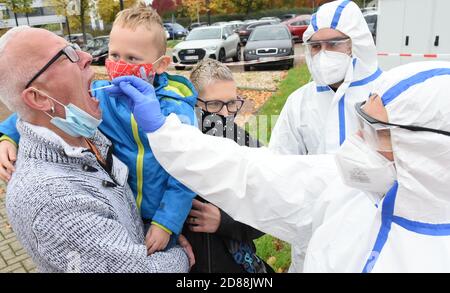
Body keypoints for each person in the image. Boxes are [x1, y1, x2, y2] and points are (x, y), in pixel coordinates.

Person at [107, 60, 450, 272]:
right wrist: (165, 132)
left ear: (429, 148)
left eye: (377, 132)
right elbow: (251, 174)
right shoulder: (349, 192)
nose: (357, 139)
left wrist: (224, 222)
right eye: (362, 121)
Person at [0, 3, 197, 255]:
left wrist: (167, 223)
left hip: (162, 214)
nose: (119, 65)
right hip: (123, 213)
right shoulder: (104, 96)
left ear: (160, 65)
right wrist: (8, 135)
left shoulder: (175, 111)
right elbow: (46, 108)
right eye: (114, 55)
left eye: (132, 58)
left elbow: (186, 172)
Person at [268, 0, 383, 272]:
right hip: (314, 230)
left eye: (334, 44)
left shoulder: (384, 94)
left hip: (372, 231)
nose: (323, 54)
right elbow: (278, 164)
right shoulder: (300, 102)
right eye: (316, 46)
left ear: (356, 43)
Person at [183, 58, 272, 273]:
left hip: (235, 266)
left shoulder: (249, 147)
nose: (225, 114)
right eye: (214, 105)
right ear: (192, 104)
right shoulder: (174, 147)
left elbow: (270, 211)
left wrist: (225, 222)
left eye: (231, 104)